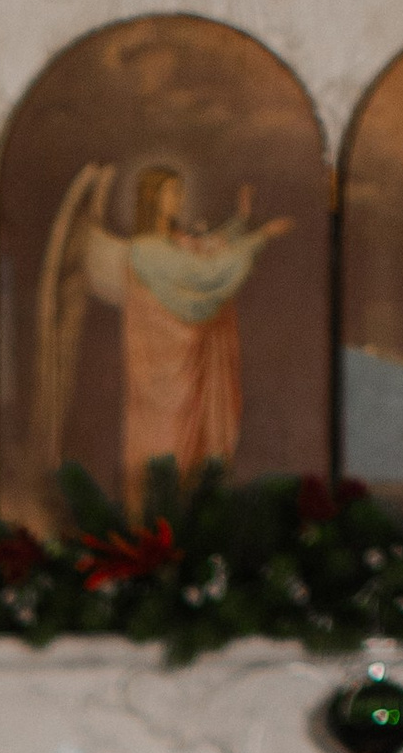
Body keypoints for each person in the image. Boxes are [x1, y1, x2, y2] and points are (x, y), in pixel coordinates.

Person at [33, 159, 291, 518]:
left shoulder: (169, 244)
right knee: (163, 462)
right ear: (152, 198)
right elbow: (207, 274)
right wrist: (261, 237)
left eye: (180, 191)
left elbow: (206, 249)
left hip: (184, 380)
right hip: (162, 387)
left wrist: (240, 222)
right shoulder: (148, 251)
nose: (179, 199)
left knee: (192, 469)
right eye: (172, 191)